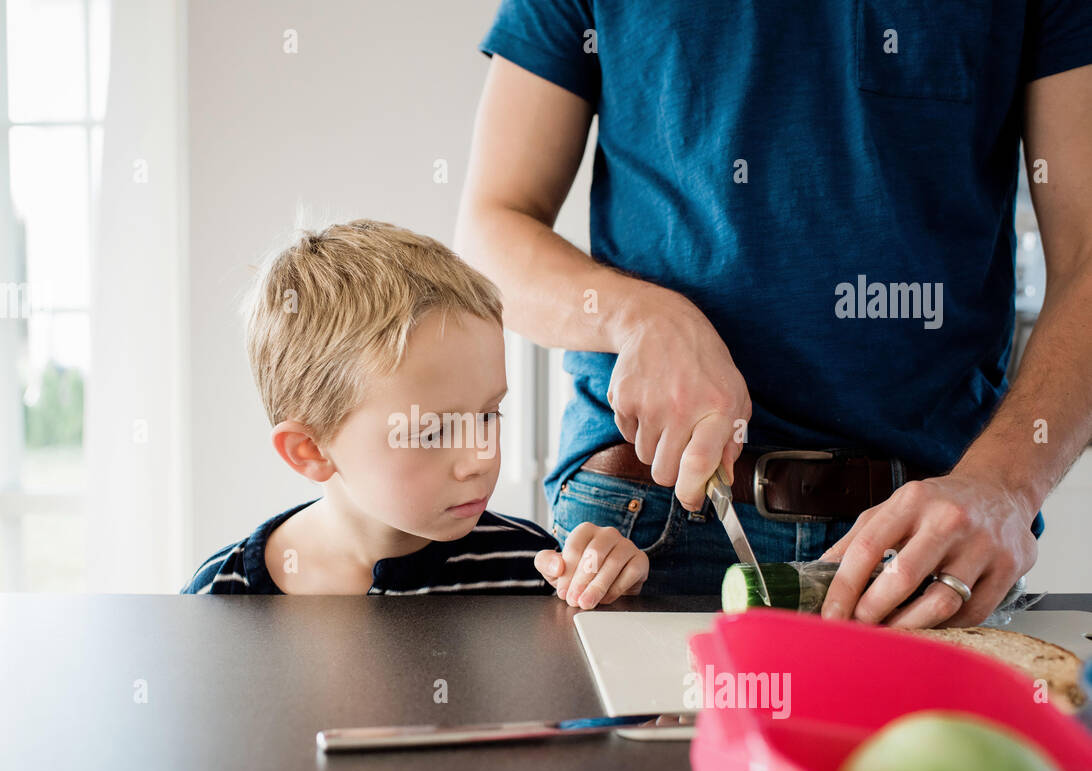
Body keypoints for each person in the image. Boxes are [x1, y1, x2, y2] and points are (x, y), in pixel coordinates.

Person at [456, 0, 1092, 628]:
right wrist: (641, 317)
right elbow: (490, 233)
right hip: (643, 526)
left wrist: (1006, 487)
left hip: (930, 544)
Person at [182, 220, 648, 606]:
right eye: (433, 431)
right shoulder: (219, 599)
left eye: (488, 415)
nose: (481, 458)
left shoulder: (534, 573)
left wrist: (613, 607)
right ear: (309, 450)